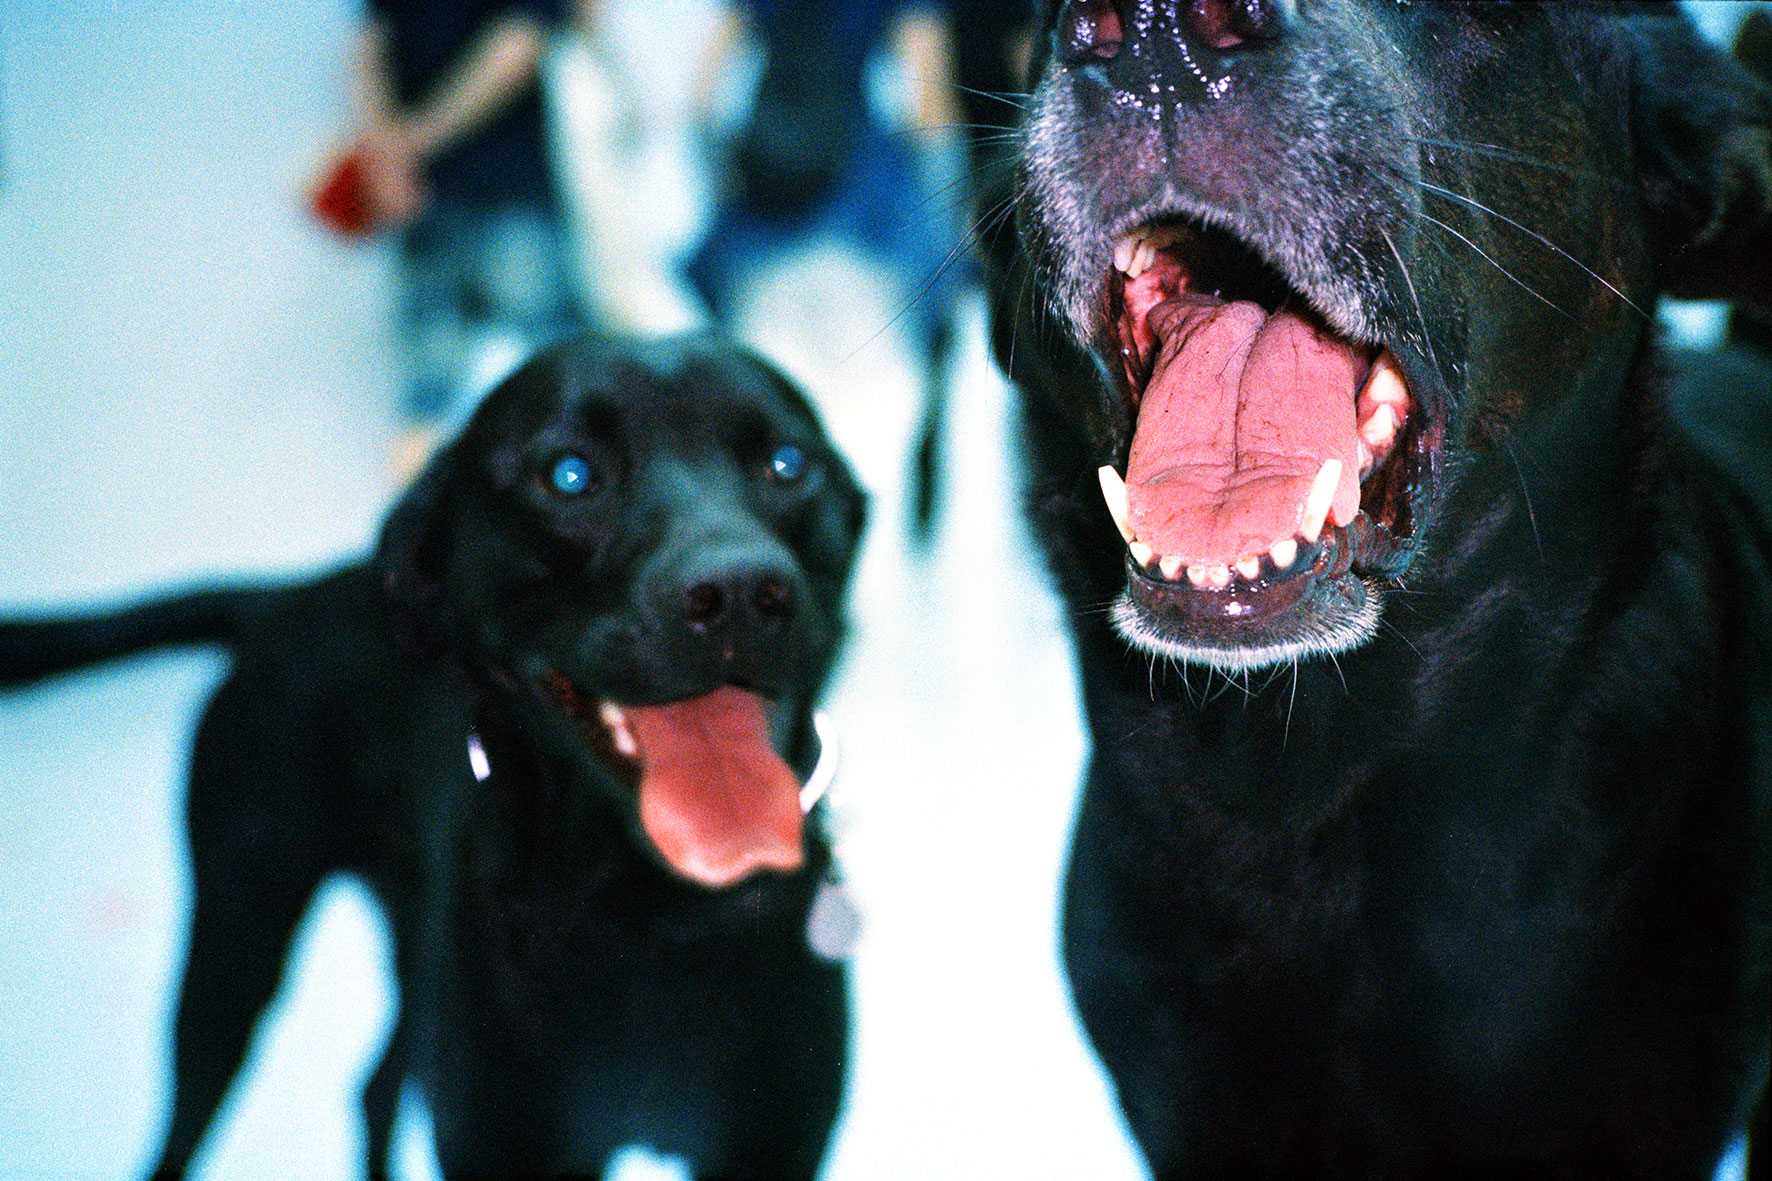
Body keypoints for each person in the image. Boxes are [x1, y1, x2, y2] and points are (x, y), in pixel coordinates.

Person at [332, 0, 588, 466]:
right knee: (565, 386)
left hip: (442, 195)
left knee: (427, 400)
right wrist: (407, 145)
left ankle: (417, 506)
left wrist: (389, 151)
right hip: (501, 194)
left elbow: (368, 49)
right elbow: (517, 49)